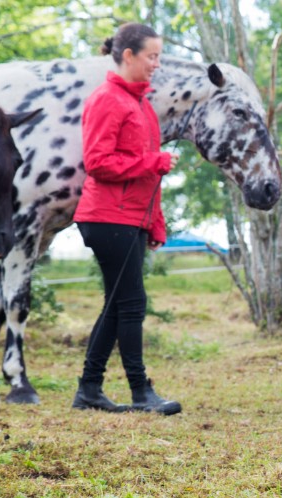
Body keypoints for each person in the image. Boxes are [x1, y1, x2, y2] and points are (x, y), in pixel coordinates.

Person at [71, 23, 181, 415]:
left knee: (118, 305)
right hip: (106, 217)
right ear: (128, 55)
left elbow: (151, 175)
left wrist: (156, 222)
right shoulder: (106, 100)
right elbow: (98, 164)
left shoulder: (141, 104)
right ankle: (140, 392)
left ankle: (89, 389)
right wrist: (155, 160)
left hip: (131, 217)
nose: (156, 63)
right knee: (131, 303)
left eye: (159, 56)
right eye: (151, 56)